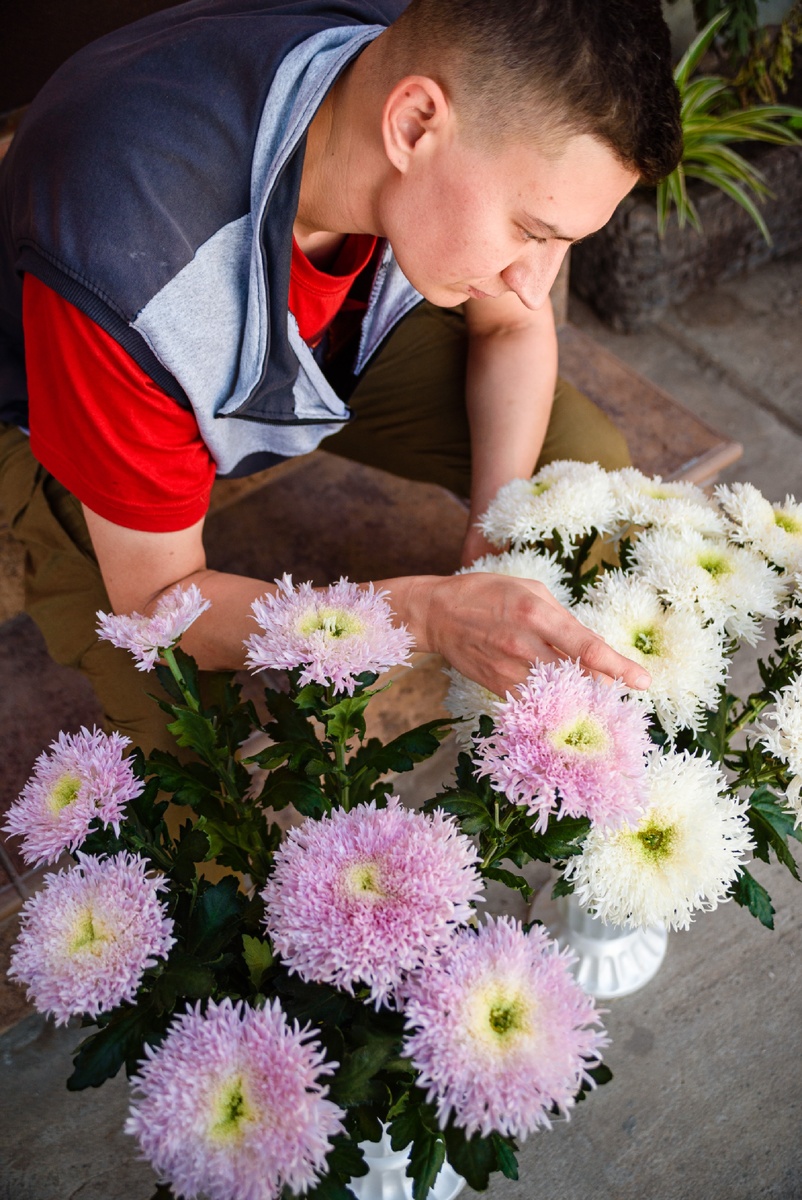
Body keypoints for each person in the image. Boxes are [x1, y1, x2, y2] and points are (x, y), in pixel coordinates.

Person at [0, 0, 682, 754]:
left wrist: (494, 541)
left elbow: (512, 326)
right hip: (64, 392)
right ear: (413, 125)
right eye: (529, 231)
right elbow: (162, 605)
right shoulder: (124, 263)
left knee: (575, 474)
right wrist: (423, 614)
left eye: (562, 242)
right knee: (188, 731)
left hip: (317, 331)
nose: (534, 283)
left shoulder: (438, 61)